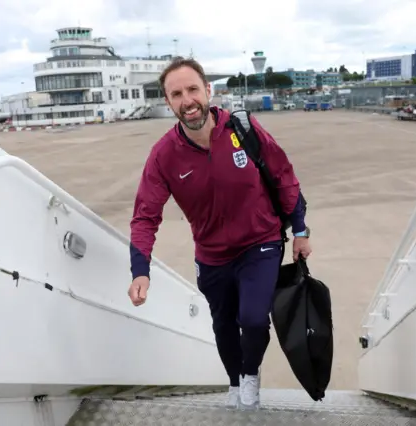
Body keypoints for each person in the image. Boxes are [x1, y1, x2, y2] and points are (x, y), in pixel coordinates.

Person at [127, 56, 311, 410]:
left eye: (193, 89)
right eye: (176, 94)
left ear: (207, 90)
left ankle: (250, 374)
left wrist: (300, 229)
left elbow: (284, 175)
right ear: (168, 102)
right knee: (224, 325)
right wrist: (140, 270)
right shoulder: (164, 155)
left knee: (254, 319)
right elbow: (145, 216)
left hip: (261, 242)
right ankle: (234, 382)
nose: (187, 100)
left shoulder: (243, 129)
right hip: (211, 256)